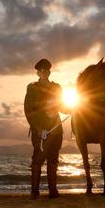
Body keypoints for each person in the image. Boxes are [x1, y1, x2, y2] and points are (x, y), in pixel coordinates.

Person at [23, 58, 63, 199]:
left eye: (47, 70)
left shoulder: (57, 87)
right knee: (38, 160)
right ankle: (35, 191)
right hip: (40, 130)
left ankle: (53, 191)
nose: (45, 72)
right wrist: (37, 128)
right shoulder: (32, 87)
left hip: (56, 130)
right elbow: (29, 110)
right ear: (38, 73)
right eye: (42, 70)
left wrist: (74, 109)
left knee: (53, 160)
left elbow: (61, 106)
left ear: (50, 72)